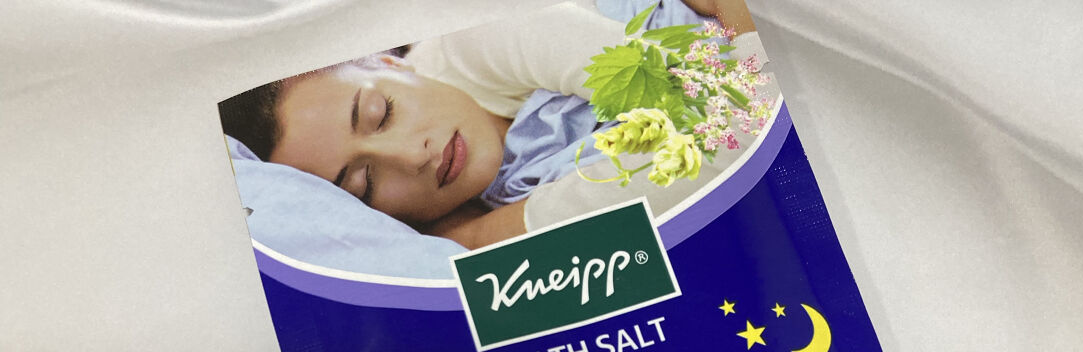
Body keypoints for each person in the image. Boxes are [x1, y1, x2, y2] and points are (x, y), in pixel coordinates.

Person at [219, 0, 758, 250]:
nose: (412, 155)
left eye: (382, 113)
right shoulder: (430, 232)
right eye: (365, 184)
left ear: (389, 62)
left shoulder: (473, 36)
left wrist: (479, 236)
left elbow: (721, 111)